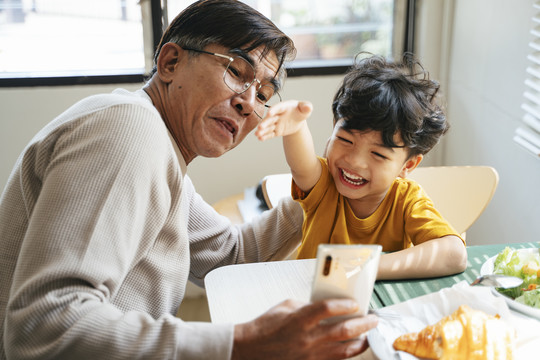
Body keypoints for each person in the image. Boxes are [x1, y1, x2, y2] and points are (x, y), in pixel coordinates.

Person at [0, 1, 378, 359]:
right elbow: (44, 326)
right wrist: (242, 344)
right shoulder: (131, 130)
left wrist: (316, 191)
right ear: (170, 62)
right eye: (235, 71)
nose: (249, 103)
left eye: (263, 94)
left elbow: (231, 255)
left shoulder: (160, 149)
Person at [256, 53, 468, 280]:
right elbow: (302, 165)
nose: (355, 161)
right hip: (310, 301)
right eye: (346, 140)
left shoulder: (407, 200)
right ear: (332, 132)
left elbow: (455, 254)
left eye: (377, 154)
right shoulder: (324, 185)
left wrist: (368, 267)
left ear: (407, 165)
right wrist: (295, 128)